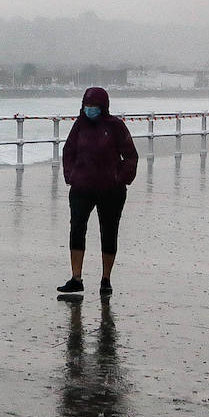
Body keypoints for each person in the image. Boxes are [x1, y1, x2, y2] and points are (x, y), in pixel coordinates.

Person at [57, 86, 138, 297]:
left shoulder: (115, 127)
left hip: (111, 191)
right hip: (81, 188)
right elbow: (68, 151)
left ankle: (106, 279)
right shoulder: (79, 126)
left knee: (109, 232)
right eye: (86, 105)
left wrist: (120, 179)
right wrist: (70, 175)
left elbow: (131, 156)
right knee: (76, 229)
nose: (89, 109)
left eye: (93, 106)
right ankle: (76, 278)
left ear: (103, 107)